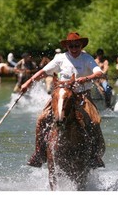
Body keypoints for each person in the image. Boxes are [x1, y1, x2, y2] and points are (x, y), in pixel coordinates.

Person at [20, 32, 105, 169]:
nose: (74, 48)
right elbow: (43, 72)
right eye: (71, 45)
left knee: (94, 121)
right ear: (67, 46)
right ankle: (38, 153)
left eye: (77, 45)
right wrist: (28, 82)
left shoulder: (86, 58)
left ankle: (94, 155)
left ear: (81, 45)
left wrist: (86, 78)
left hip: (81, 95)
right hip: (61, 95)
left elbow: (99, 73)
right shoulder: (60, 58)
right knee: (41, 119)